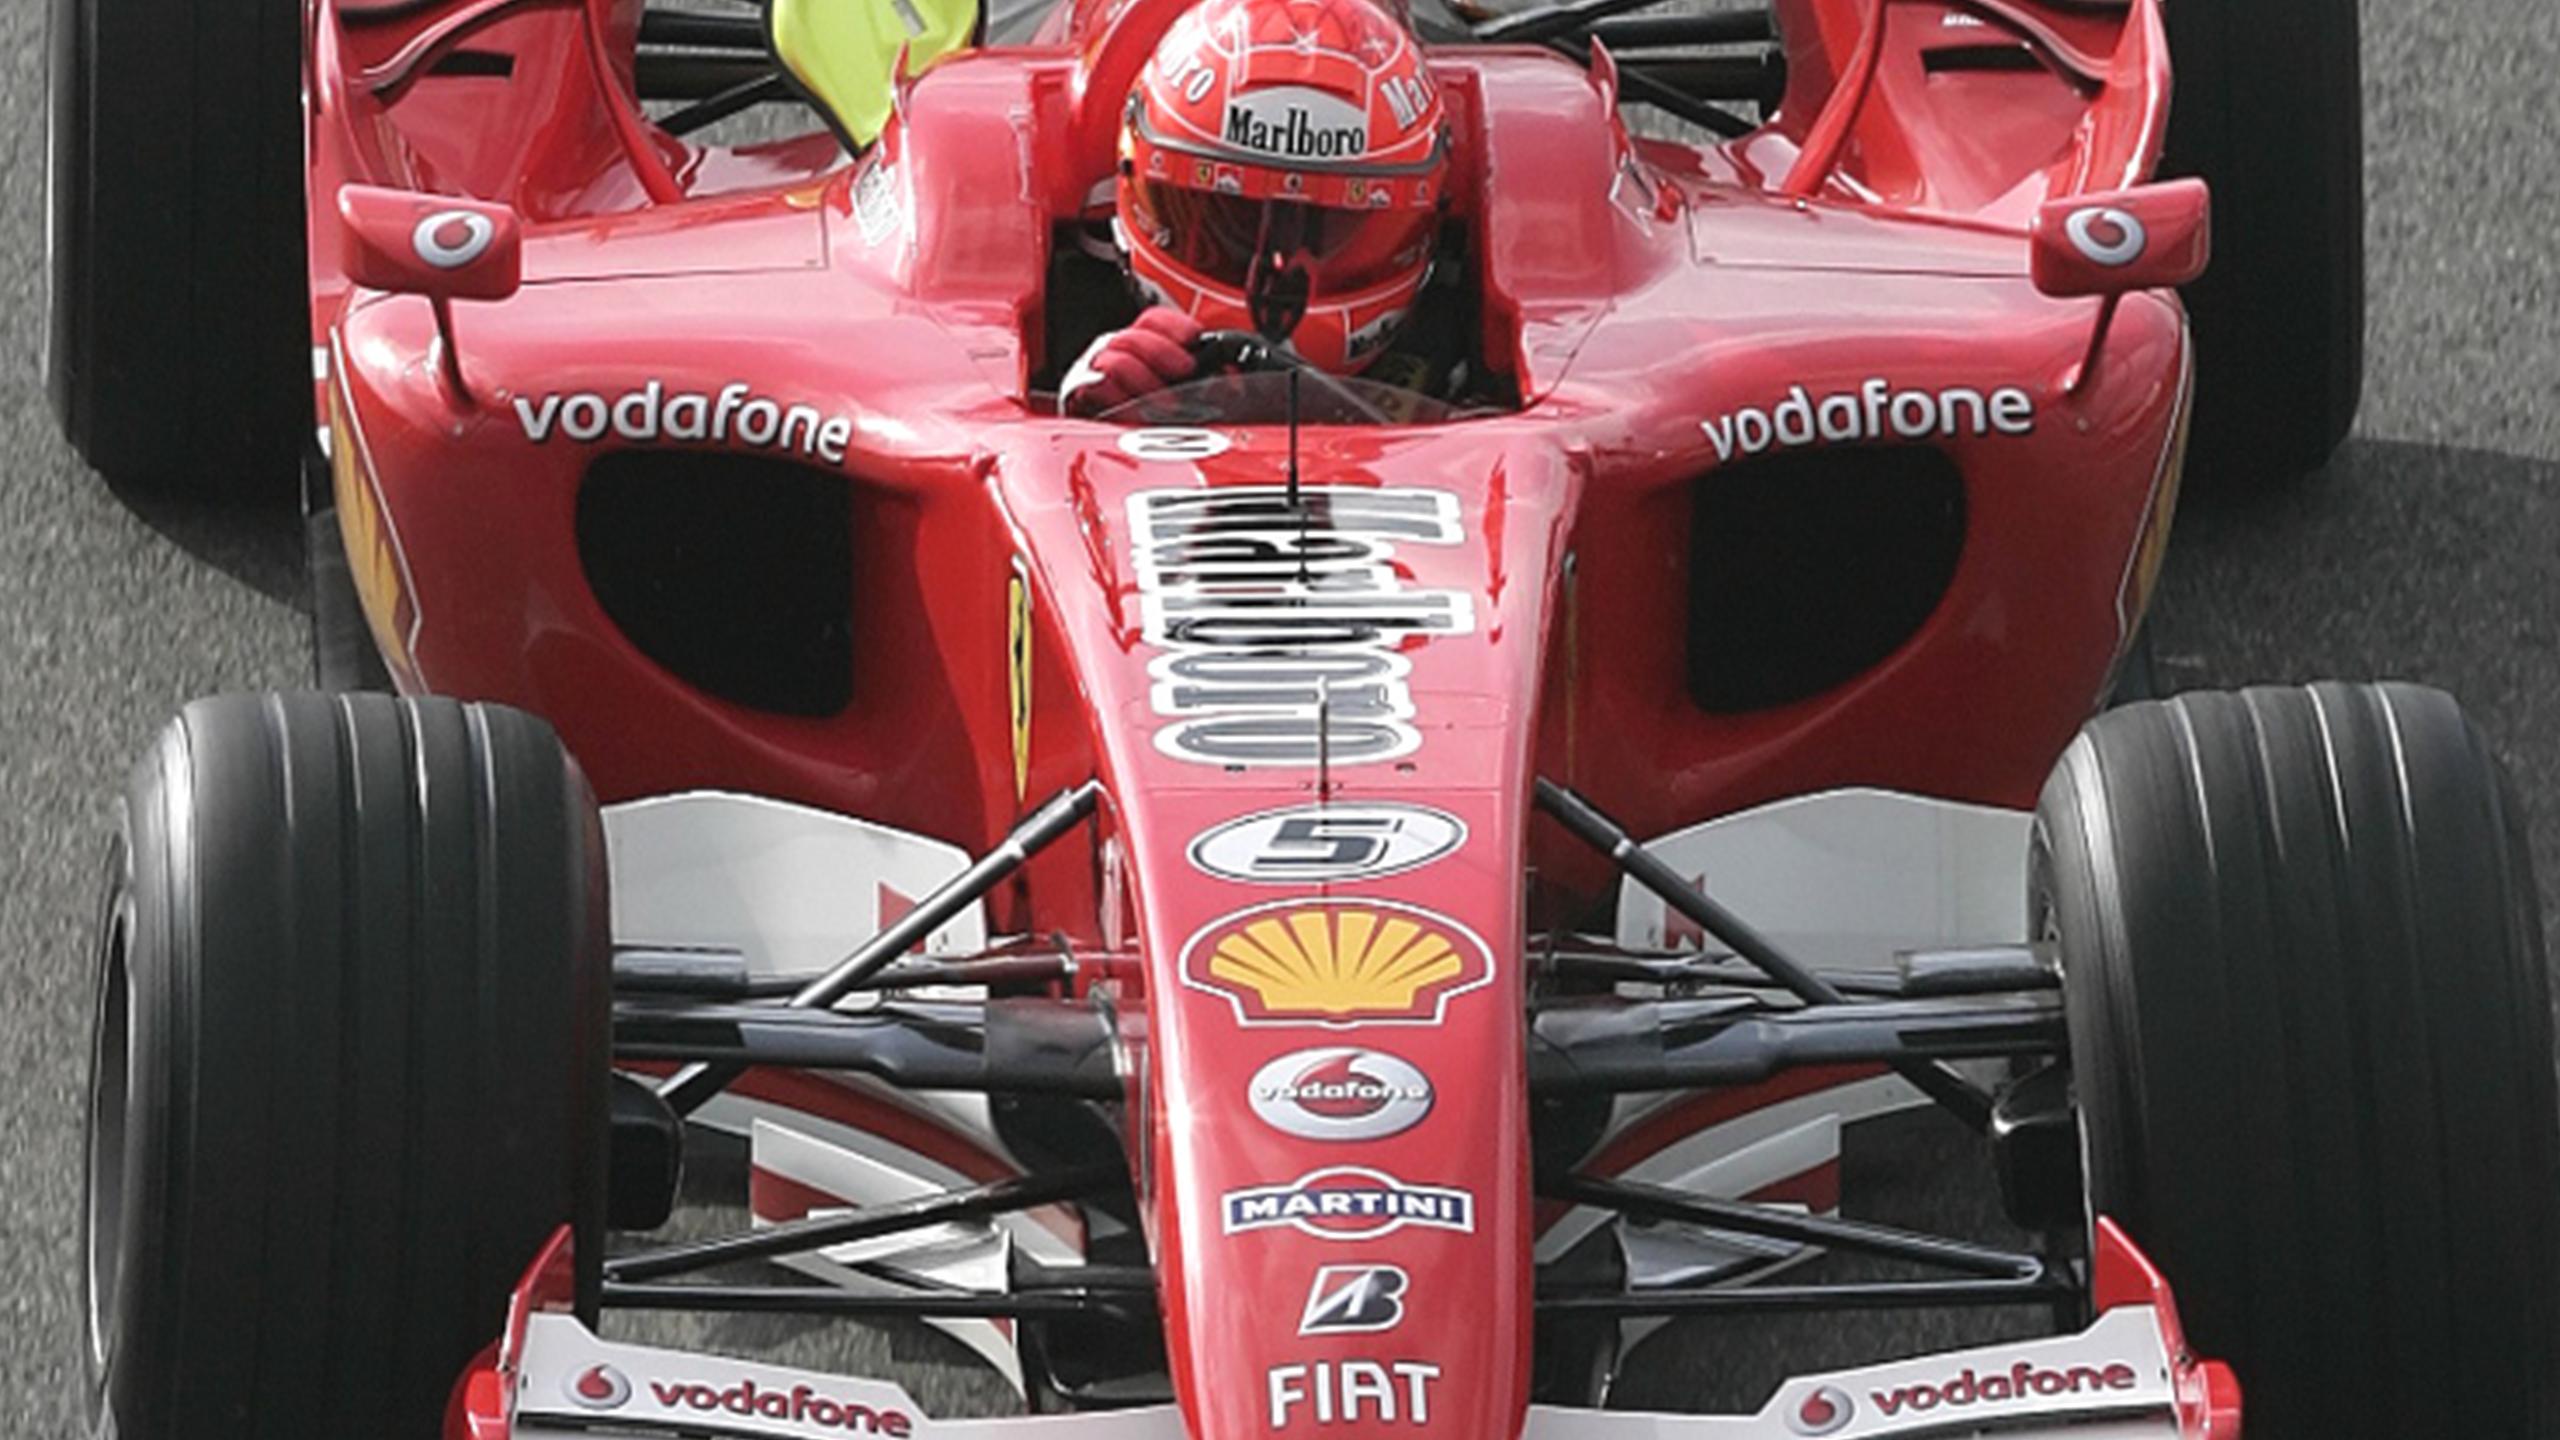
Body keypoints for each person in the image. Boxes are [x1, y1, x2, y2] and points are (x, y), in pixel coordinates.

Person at [1057, 0, 1464, 417]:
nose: (1276, 273)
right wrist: (1084, 419)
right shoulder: (1066, 301)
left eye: (1332, 225)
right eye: (1237, 216)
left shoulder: (1464, 330)